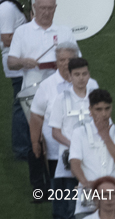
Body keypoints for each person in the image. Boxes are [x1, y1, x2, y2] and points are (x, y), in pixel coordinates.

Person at [23, 41, 81, 201]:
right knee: (62, 196)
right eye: (61, 60)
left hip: (82, 147)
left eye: (69, 59)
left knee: (83, 194)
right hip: (56, 150)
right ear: (56, 62)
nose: (65, 63)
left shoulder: (89, 84)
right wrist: (35, 142)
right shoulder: (47, 86)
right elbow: (36, 116)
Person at [47, 56, 98, 219]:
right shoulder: (61, 99)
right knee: (69, 209)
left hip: (93, 161)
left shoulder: (96, 98)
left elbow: (106, 127)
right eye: (77, 74)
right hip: (68, 163)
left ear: (89, 75)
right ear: (69, 76)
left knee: (91, 208)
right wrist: (76, 146)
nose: (81, 78)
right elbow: (55, 132)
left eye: (84, 74)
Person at [68, 89, 115, 216]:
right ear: (90, 110)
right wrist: (86, 184)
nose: (104, 114)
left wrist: (105, 136)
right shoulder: (79, 133)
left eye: (107, 109)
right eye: (98, 109)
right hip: (87, 202)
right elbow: (75, 163)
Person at [0, 0, 28, 161]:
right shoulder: (7, 8)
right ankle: (21, 148)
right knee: (21, 104)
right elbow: (7, 38)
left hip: (14, 60)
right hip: (16, 60)